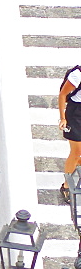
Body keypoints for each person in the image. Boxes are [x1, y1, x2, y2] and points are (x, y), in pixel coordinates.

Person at [58, 66, 81, 203]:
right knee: (76, 151)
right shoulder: (78, 75)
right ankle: (66, 186)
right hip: (75, 114)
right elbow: (62, 95)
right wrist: (63, 118)